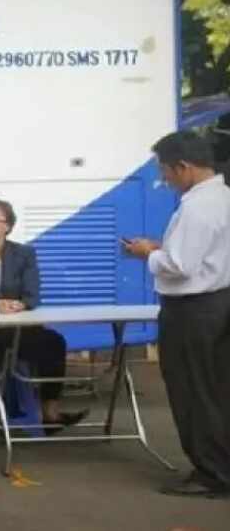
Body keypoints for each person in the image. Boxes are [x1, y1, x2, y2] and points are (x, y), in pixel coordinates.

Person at [123, 130, 230, 498]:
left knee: (192, 391)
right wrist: (163, 248)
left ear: (183, 167)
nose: (163, 179)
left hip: (192, 312)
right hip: (218, 304)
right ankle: (220, 465)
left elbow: (181, 266)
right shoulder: (223, 197)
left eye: (164, 171)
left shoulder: (197, 207)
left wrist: (148, 253)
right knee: (216, 389)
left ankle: (212, 473)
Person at [0, 199, 87, 433]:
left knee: (54, 343)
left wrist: (18, 305)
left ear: (7, 226)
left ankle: (50, 412)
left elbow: (32, 296)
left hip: (19, 330)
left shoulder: (24, 254)